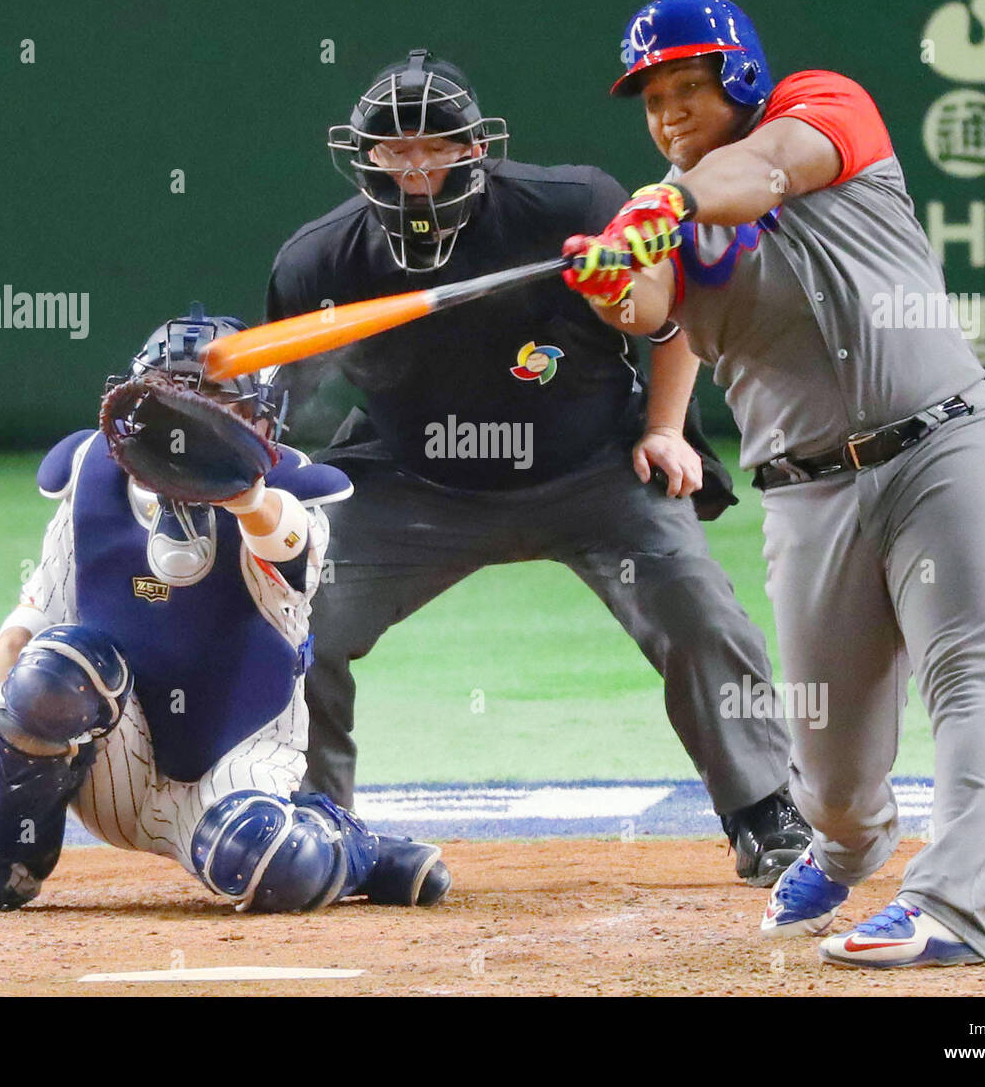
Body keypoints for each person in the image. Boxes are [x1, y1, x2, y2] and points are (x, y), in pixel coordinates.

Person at [265, 48, 810, 887]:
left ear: (476, 147)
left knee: (697, 605)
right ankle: (317, 827)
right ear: (364, 156)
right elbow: (282, 404)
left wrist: (666, 429)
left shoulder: (573, 206)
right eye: (395, 149)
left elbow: (666, 325)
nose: (416, 167)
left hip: (591, 469)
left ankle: (764, 807)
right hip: (415, 484)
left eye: (437, 145)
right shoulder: (317, 265)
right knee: (294, 613)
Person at [564, 0, 985, 967]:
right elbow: (652, 309)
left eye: (686, 86)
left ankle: (947, 905)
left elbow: (761, 172)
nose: (667, 114)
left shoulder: (822, 106)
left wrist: (667, 205)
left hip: (942, 449)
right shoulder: (668, 210)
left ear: (738, 75)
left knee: (970, 674)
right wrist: (615, 278)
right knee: (831, 759)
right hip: (807, 495)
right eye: (651, 99)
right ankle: (848, 841)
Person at [0, 306, 450, 913]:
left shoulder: (282, 498)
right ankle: (1, 861)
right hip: (113, 760)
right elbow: (25, 632)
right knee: (50, 671)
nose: (192, 422)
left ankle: (354, 848)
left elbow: (287, 544)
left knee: (280, 871)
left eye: (218, 407)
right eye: (177, 402)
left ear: (258, 421)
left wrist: (242, 492)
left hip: (234, 764)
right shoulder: (90, 476)